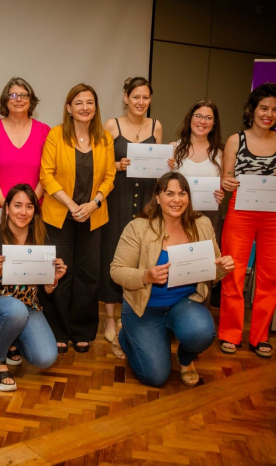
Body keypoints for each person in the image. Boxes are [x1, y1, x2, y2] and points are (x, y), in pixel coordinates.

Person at [110, 172, 235, 387]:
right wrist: (145, 275)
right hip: (144, 308)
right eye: (169, 193)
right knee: (155, 377)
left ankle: (186, 360)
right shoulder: (138, 227)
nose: (176, 200)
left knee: (202, 332)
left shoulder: (202, 224)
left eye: (182, 193)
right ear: (157, 197)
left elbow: (210, 270)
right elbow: (116, 271)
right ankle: (124, 335)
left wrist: (223, 267)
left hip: (182, 304)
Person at [219, 83, 276, 358]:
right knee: (233, 272)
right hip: (240, 211)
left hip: (274, 215)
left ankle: (260, 336)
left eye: (275, 110)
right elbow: (226, 179)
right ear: (252, 110)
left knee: (271, 276)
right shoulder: (235, 140)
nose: (269, 114)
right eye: (264, 108)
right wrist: (228, 183)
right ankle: (231, 334)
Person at [0, 184, 65, 391]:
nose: (23, 212)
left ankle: (10, 338)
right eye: (17, 205)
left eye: (29, 207)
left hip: (28, 306)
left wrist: (52, 279)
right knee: (14, 309)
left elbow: (47, 292)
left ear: (35, 211)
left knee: (46, 358)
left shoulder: (41, 238)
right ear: (7, 208)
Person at [39, 83, 116, 353]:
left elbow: (110, 177)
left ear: (95, 108)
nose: (85, 108)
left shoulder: (104, 138)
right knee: (59, 272)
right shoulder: (56, 135)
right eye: (79, 103)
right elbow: (45, 175)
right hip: (60, 215)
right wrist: (73, 205)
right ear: (69, 108)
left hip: (93, 217)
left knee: (88, 274)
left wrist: (93, 204)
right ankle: (58, 331)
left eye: (90, 102)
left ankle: (82, 331)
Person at [99, 77, 163, 344]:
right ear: (126, 98)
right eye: (135, 97)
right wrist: (117, 164)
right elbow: (101, 164)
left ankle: (132, 314)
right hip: (119, 197)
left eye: (146, 97)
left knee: (143, 256)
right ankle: (111, 317)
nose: (141, 102)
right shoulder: (111, 125)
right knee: (115, 254)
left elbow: (158, 162)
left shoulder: (156, 126)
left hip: (147, 199)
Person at [0, 77, 51, 235]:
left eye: (24, 95)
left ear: (31, 101)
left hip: (32, 209)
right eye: (13, 95)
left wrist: (29, 205)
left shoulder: (44, 132)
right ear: (5, 100)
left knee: (28, 257)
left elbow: (47, 172)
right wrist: (7, 206)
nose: (18, 99)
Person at [168, 100, 225, 243]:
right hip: (177, 215)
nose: (202, 121)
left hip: (210, 217)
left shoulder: (221, 153)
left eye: (208, 118)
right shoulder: (174, 149)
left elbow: (224, 184)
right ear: (190, 119)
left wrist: (221, 193)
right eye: (198, 116)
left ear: (214, 123)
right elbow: (161, 187)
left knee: (207, 260)